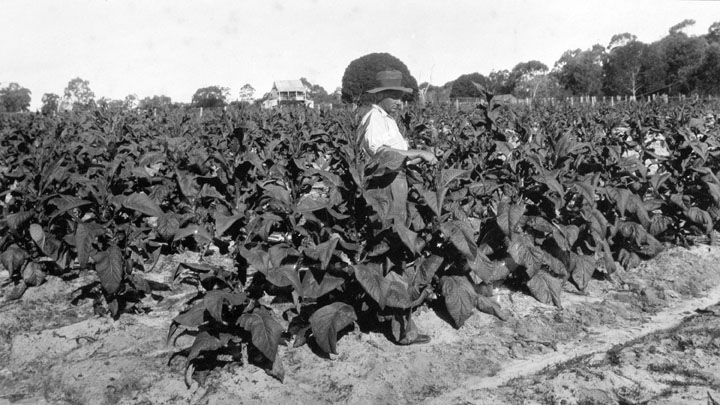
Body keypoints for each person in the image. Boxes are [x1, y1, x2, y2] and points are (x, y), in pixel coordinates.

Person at [358, 70, 438, 345]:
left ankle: (391, 317)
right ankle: (403, 329)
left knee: (395, 246)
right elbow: (380, 154)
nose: (400, 101)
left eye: (401, 96)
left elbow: (395, 155)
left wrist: (417, 157)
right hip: (387, 187)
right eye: (395, 95)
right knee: (395, 246)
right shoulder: (374, 118)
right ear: (380, 95)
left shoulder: (386, 119)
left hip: (397, 182)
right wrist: (415, 153)